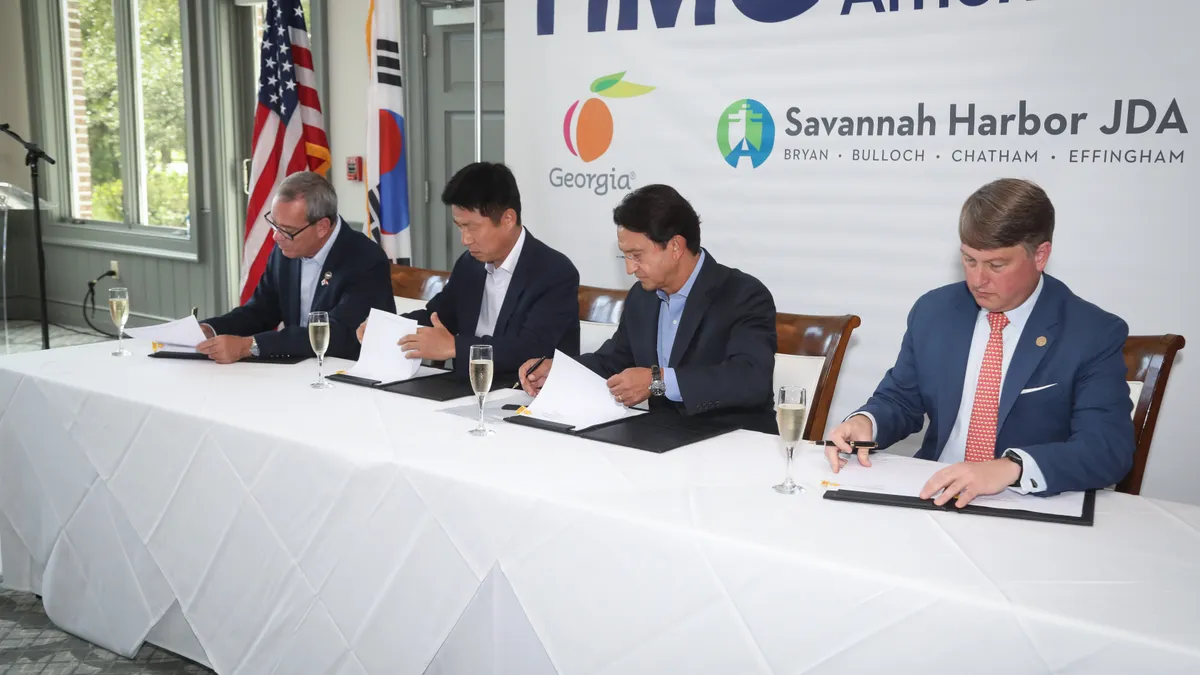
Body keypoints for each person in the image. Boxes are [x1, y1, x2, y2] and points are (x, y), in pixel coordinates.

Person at [825, 178, 1134, 505]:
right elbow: (902, 400)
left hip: (1024, 500)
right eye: (969, 260)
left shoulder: (1091, 333)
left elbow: (1107, 449)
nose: (977, 279)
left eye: (996, 265)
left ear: (1040, 255)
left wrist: (1011, 467)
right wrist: (865, 421)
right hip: (934, 490)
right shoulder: (935, 311)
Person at [518, 184, 778, 433]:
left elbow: (750, 379)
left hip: (733, 442)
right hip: (659, 437)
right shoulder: (643, 297)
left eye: (637, 256)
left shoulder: (742, 294)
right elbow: (613, 362)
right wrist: (559, 371)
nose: (630, 269)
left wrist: (659, 381)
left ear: (675, 246)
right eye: (625, 256)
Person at [359, 162, 580, 379]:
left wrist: (455, 346)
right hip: (466, 389)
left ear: (508, 219)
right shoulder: (470, 264)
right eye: (459, 226)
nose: (465, 239)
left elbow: (530, 349)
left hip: (524, 396)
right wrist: (387, 329)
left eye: (472, 227)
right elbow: (437, 316)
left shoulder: (554, 273)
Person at [198, 171, 394, 363]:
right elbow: (261, 310)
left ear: (322, 227)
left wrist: (248, 346)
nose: (276, 237)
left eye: (287, 231)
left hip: (345, 373)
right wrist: (212, 329)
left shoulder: (366, 260)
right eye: (274, 225)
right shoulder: (286, 250)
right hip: (296, 369)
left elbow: (336, 334)